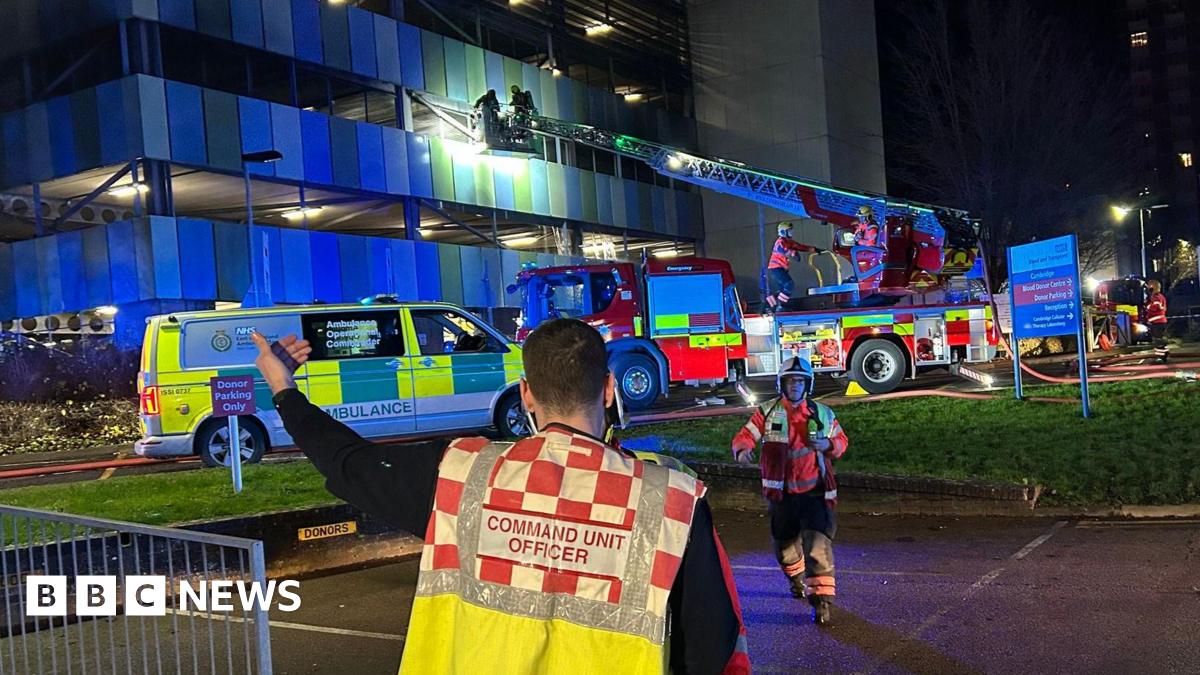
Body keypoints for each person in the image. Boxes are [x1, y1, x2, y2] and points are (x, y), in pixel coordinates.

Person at [250, 319, 750, 674]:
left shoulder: (461, 475)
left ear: (527, 394)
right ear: (609, 389)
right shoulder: (670, 501)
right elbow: (708, 650)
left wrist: (283, 387)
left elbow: (349, 461)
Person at [731, 356, 848, 626]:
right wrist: (742, 449)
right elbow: (745, 434)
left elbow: (842, 441)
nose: (794, 385)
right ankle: (796, 579)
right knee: (784, 549)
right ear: (781, 383)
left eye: (799, 381)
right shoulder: (768, 412)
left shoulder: (821, 414)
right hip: (782, 496)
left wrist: (828, 445)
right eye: (790, 380)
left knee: (818, 547)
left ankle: (821, 604)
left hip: (815, 493)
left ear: (807, 384)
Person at [766, 221, 817, 312]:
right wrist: (792, 253)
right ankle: (780, 306)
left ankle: (769, 306)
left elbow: (800, 246)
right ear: (783, 232)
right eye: (789, 231)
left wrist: (812, 249)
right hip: (776, 269)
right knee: (789, 285)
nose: (791, 233)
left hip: (779, 269)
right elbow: (782, 250)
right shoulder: (780, 242)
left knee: (782, 290)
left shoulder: (789, 242)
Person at [1146, 279, 1169, 361]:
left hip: (1157, 323)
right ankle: (1164, 355)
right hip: (1161, 322)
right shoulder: (1161, 296)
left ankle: (1160, 357)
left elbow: (1155, 307)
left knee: (1158, 340)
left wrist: (1148, 306)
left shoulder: (1155, 297)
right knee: (1161, 340)